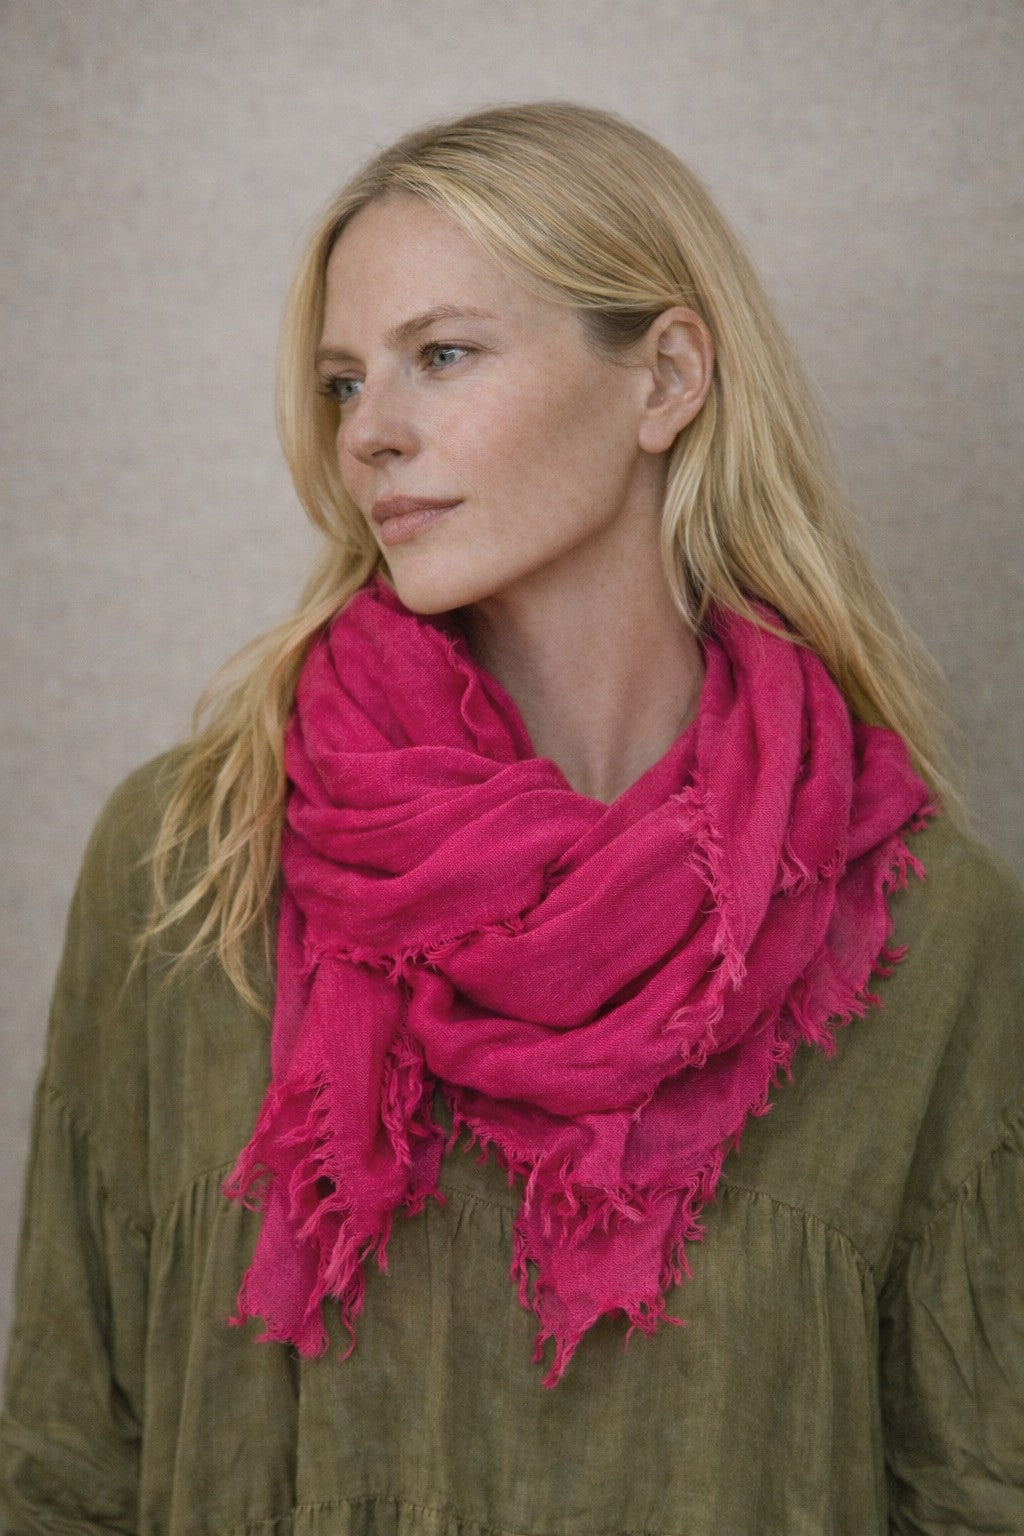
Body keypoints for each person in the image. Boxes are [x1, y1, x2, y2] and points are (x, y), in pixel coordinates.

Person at [1, 100, 1021, 1535]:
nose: (372, 433)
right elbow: (65, 1461)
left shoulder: (924, 930)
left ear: (666, 377)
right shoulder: (190, 863)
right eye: (345, 381)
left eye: (442, 355)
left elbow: (976, 1492)